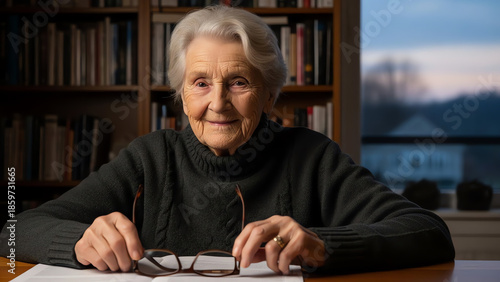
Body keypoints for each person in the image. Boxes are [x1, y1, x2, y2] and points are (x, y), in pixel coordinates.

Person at [0, 5, 454, 275]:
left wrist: (320, 243)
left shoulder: (312, 157)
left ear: (270, 93)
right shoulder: (149, 157)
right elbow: (13, 231)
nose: (217, 103)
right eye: (200, 83)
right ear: (181, 94)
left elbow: (430, 234)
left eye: (238, 82)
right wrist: (80, 242)